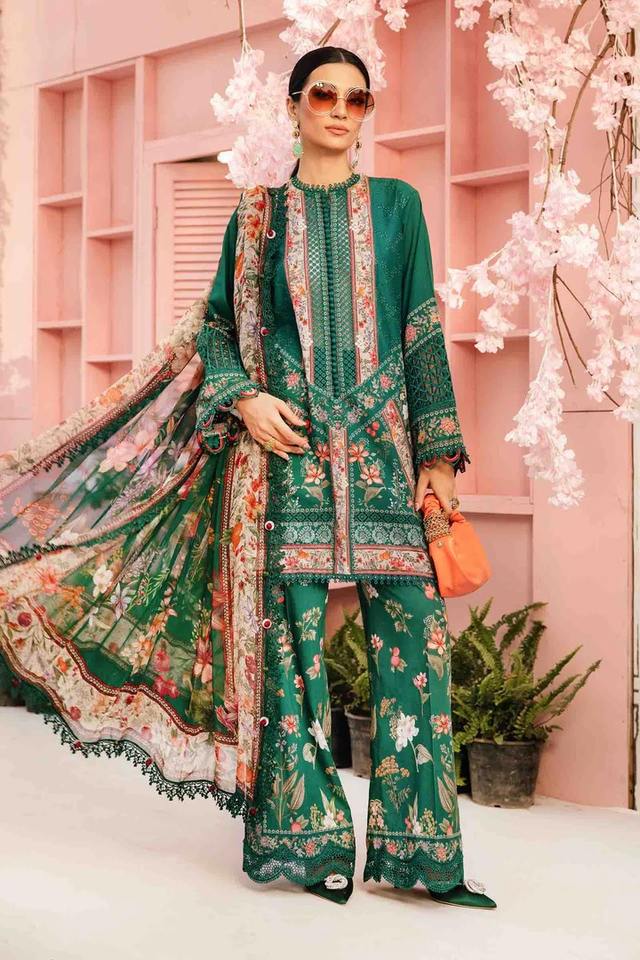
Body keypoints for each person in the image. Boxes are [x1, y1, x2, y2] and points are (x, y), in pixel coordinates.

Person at [0, 45, 495, 910]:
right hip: (287, 461)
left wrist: (437, 459)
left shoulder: (398, 206)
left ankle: (422, 857)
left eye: (356, 99)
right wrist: (246, 400)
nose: (339, 110)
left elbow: (421, 332)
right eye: (324, 94)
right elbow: (219, 327)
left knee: (416, 648)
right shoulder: (257, 214)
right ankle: (310, 845)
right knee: (290, 657)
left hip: (382, 462)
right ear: (295, 105)